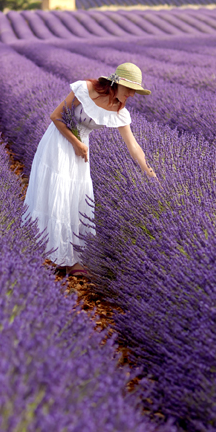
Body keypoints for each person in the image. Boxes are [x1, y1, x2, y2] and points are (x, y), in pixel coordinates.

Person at [22, 62, 157, 278]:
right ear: (115, 83)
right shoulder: (86, 89)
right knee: (60, 194)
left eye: (135, 91)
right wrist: (76, 143)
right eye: (129, 89)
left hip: (80, 151)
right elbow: (56, 116)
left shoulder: (120, 111)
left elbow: (133, 146)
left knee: (76, 199)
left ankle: (68, 258)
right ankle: (56, 256)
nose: (131, 94)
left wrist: (149, 173)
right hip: (59, 143)